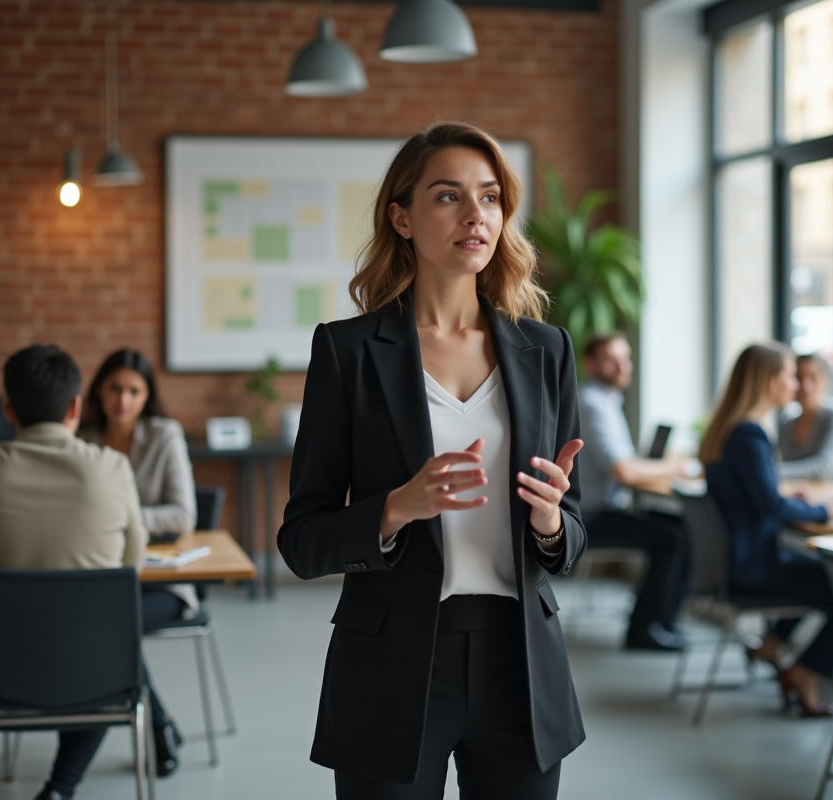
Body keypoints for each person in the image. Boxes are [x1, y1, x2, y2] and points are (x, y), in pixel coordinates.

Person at [278, 121, 587, 800]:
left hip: (522, 667)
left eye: (490, 198)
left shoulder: (547, 351)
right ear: (403, 217)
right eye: (449, 196)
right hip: (391, 665)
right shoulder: (347, 352)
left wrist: (550, 524)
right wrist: (396, 508)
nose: (475, 215)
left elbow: (574, 527)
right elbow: (301, 541)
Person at [0, 345, 147, 800]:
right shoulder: (114, 468)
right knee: (116, 663)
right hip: (93, 671)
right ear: (76, 407)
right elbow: (133, 563)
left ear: (8, 410)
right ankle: (60, 789)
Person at [701, 342, 833, 717]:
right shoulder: (750, 434)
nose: (796, 384)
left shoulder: (730, 430)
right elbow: (770, 506)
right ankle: (805, 672)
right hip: (753, 568)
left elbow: (757, 493)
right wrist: (826, 509)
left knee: (817, 573)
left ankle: (773, 645)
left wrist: (784, 490)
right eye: (789, 375)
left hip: (740, 560)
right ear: (769, 382)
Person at [79, 348, 194, 776]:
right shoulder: (83, 439)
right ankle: (161, 722)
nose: (122, 400)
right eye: (114, 388)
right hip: (101, 579)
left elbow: (183, 516)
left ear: (147, 396)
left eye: (134, 391)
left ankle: (156, 726)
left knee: (110, 627)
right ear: (98, 391)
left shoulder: (164, 434)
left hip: (162, 583)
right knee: (102, 622)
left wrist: (119, 520)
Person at [577, 331, 691, 651]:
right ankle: (644, 628)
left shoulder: (606, 401)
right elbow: (623, 470)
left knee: (679, 527)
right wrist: (676, 468)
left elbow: (622, 463)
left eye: (624, 359)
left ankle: (663, 622)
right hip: (589, 515)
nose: (622, 366)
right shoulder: (592, 403)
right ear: (590, 364)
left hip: (604, 508)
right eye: (611, 360)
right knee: (670, 538)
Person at [776, 353, 833, 481]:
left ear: (826, 381)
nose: (805, 386)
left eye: (813, 378)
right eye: (799, 378)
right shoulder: (787, 422)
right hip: (796, 497)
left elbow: (824, 469)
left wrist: (770, 471)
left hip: (829, 498)